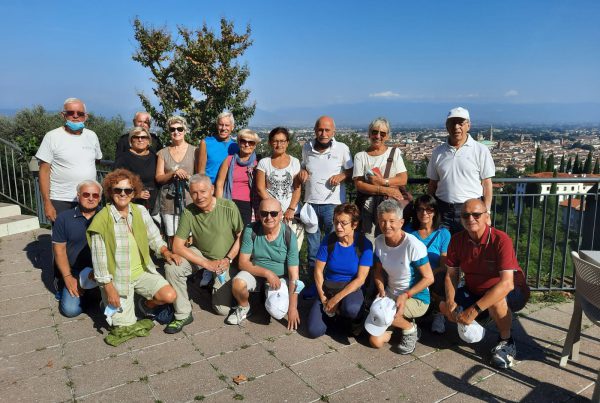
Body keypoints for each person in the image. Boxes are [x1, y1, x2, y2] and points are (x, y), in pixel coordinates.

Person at [439, 198, 530, 369]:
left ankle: (506, 341)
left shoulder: (501, 239)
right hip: (476, 289)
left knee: (496, 299)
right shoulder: (457, 240)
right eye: (465, 215)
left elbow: (507, 284)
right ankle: (481, 318)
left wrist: (473, 310)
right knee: (444, 304)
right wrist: (451, 302)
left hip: (513, 291)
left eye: (476, 214)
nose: (470, 218)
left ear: (486, 217)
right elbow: (452, 275)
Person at [87, 169, 178, 328]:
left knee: (169, 295)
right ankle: (106, 302)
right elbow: (99, 262)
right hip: (118, 280)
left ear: (133, 192)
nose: (123, 194)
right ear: (110, 192)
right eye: (118, 190)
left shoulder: (140, 211)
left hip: (141, 272)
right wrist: (109, 289)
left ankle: (145, 304)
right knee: (125, 327)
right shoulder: (101, 220)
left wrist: (165, 251)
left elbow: (154, 237)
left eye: (128, 190)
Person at [165, 174, 244, 334]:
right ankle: (183, 313)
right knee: (172, 267)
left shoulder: (228, 207)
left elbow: (241, 236)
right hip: (202, 254)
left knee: (221, 310)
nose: (199, 197)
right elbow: (177, 246)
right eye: (194, 193)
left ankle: (221, 284)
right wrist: (206, 264)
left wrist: (228, 259)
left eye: (203, 191)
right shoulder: (189, 212)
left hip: (225, 259)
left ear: (212, 189)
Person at [297, 116, 353, 298]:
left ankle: (331, 282)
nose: (323, 133)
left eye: (327, 130)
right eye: (320, 130)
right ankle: (315, 286)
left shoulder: (342, 149)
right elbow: (303, 167)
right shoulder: (306, 148)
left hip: (333, 205)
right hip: (311, 204)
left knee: (332, 245)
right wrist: (303, 172)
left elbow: (351, 171)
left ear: (333, 132)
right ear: (315, 130)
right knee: (313, 247)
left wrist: (342, 176)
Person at [369, 200, 434, 354]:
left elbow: (429, 278)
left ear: (401, 222)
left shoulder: (413, 245)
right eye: (383, 221)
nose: (387, 226)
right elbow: (377, 271)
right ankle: (401, 321)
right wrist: (380, 288)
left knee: (388, 316)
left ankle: (410, 329)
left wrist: (406, 295)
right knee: (375, 341)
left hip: (416, 297)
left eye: (392, 221)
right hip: (391, 295)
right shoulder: (378, 241)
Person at [227, 199, 300, 329]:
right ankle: (244, 307)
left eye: (273, 213)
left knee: (277, 311)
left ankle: (267, 295)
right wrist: (267, 273)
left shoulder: (288, 235)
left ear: (281, 214)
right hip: (255, 273)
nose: (269, 217)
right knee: (238, 284)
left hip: (280, 277)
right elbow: (243, 263)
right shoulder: (251, 230)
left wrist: (293, 308)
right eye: (264, 213)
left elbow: (294, 276)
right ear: (259, 214)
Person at [307, 203, 373, 338]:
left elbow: (361, 279)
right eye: (336, 222)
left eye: (343, 223)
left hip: (351, 289)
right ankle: (335, 318)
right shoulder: (329, 240)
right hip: (329, 287)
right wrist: (324, 298)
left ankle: (353, 320)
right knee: (314, 331)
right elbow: (318, 271)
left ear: (354, 224)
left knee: (352, 309)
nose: (338, 226)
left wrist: (336, 300)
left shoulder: (364, 245)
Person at [427, 107, 495, 234]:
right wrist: (430, 208)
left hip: (471, 212)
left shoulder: (481, 150)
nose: (456, 127)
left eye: (461, 123)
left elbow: (487, 184)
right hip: (442, 211)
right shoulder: (438, 152)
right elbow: (432, 184)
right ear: (447, 127)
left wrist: (487, 213)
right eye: (452, 123)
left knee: (468, 250)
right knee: (443, 250)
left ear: (468, 126)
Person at [35, 97, 102, 222]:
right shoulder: (52, 137)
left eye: (80, 114)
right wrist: (47, 203)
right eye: (71, 113)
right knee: (63, 239)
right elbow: (43, 171)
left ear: (86, 117)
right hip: (61, 200)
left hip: (89, 198)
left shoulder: (92, 136)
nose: (75, 116)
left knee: (91, 237)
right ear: (63, 115)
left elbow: (96, 160)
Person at [53, 180, 102, 317]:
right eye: (86, 194)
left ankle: (91, 293)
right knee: (70, 310)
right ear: (78, 196)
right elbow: (59, 250)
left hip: (101, 270)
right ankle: (90, 295)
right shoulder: (64, 218)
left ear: (100, 198)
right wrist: (68, 277)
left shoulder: (106, 216)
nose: (91, 198)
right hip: (75, 272)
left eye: (95, 195)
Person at [353, 117, 408, 241]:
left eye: (382, 133)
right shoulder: (360, 156)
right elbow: (359, 185)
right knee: (370, 242)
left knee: (390, 241)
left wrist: (383, 182)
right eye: (374, 132)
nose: (378, 136)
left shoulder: (394, 153)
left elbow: (403, 178)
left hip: (391, 209)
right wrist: (387, 190)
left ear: (387, 136)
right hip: (368, 210)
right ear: (369, 134)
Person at [406, 195, 451, 334]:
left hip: (433, 273)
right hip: (411, 273)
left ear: (435, 212)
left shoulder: (443, 233)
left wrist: (429, 275)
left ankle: (439, 313)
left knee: (444, 276)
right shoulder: (408, 230)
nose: (424, 213)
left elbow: (444, 264)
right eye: (420, 209)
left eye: (429, 209)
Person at [255, 127, 303, 249]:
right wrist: (275, 208)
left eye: (282, 141)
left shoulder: (294, 162)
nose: (279, 144)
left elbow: (297, 188)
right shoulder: (264, 163)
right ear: (270, 142)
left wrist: (291, 209)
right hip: (271, 214)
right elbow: (260, 188)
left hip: (290, 214)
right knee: (272, 246)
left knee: (292, 248)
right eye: (276, 141)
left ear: (287, 143)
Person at [155, 116, 197, 243]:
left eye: (179, 129)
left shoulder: (195, 151)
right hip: (168, 200)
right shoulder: (162, 153)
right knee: (172, 235)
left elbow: (200, 176)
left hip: (189, 199)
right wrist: (173, 173)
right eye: (172, 129)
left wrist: (187, 176)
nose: (176, 132)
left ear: (185, 130)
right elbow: (159, 177)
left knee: (189, 235)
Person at [215, 129, 261, 225]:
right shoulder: (229, 160)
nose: (247, 145)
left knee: (244, 234)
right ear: (239, 142)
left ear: (255, 146)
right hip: (228, 201)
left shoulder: (258, 164)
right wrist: (219, 205)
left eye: (251, 142)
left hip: (248, 204)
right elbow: (219, 184)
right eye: (243, 141)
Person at [114, 126, 159, 213]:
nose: (140, 140)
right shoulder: (123, 158)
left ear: (149, 140)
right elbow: (116, 183)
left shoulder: (155, 156)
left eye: (143, 137)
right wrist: (136, 194)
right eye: (136, 137)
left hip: (153, 205)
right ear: (131, 140)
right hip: (131, 204)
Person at [196, 111, 240, 184]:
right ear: (217, 126)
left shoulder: (236, 147)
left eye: (227, 125)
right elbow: (201, 172)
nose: (223, 128)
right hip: (209, 187)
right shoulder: (206, 143)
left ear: (232, 127)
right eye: (221, 125)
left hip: (227, 190)